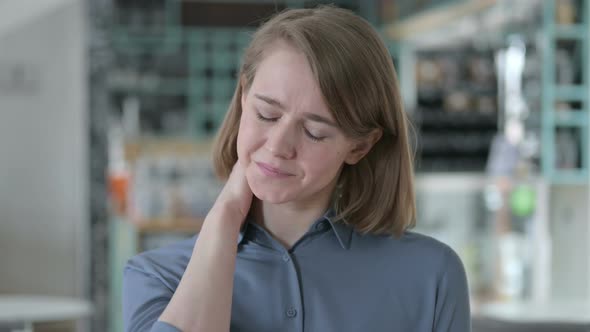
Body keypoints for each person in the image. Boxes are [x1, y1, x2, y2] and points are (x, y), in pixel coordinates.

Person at [123, 5, 471, 332]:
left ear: (360, 146)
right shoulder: (157, 276)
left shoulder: (431, 276)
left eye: (314, 131)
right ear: (243, 97)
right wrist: (226, 214)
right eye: (267, 114)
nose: (277, 146)